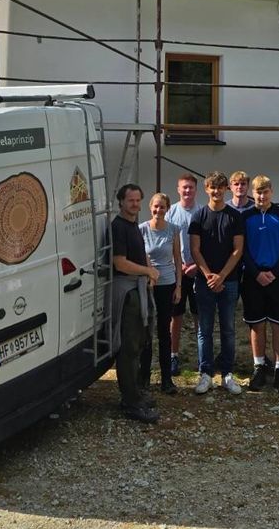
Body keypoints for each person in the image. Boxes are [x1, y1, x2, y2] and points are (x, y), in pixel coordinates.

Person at [189, 171, 246, 394]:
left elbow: (238, 249)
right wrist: (209, 276)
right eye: (213, 187)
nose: (217, 191)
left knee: (228, 330)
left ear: (226, 190)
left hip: (229, 281)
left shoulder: (234, 217)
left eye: (221, 187)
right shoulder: (199, 216)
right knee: (204, 330)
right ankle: (205, 374)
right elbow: (195, 249)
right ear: (207, 189)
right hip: (205, 283)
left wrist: (221, 276)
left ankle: (227, 374)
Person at [241, 175, 279, 393]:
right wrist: (256, 273)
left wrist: (274, 272)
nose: (261, 196)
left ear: (271, 192)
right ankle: (259, 367)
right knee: (257, 324)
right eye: (258, 192)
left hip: (278, 277)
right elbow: (241, 248)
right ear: (252, 193)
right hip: (253, 278)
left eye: (265, 191)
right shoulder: (246, 217)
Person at [111, 184, 161, 423]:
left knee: (140, 343)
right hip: (128, 291)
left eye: (138, 200)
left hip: (139, 288)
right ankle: (130, 402)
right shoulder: (119, 227)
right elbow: (119, 263)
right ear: (120, 202)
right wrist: (148, 271)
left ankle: (135, 394)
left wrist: (148, 272)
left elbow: (140, 255)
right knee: (129, 348)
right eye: (130, 200)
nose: (135, 205)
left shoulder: (132, 225)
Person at [139, 192, 183, 396]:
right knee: (146, 331)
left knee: (164, 332)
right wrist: (150, 274)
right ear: (150, 207)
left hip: (167, 284)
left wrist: (179, 287)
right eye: (155, 206)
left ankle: (167, 378)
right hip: (148, 285)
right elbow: (141, 257)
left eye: (162, 207)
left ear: (167, 209)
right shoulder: (142, 230)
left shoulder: (173, 230)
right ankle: (144, 376)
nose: (158, 210)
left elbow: (177, 260)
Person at [165, 172, 200, 377]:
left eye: (191, 187)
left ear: (196, 190)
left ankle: (201, 356)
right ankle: (173, 356)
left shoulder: (202, 212)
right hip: (176, 274)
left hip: (197, 272)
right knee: (175, 317)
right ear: (178, 189)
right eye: (184, 187)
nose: (187, 191)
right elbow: (165, 242)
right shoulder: (170, 212)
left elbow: (207, 244)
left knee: (199, 316)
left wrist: (196, 265)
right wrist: (176, 266)